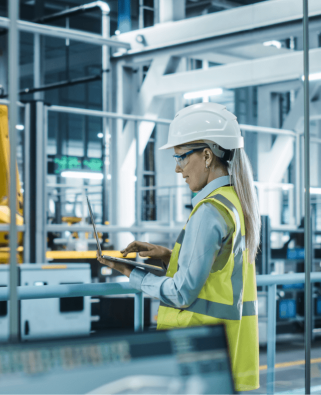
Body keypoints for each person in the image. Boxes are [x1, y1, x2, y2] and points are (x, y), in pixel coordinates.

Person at [97, 102, 261, 391]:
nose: (177, 168)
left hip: (198, 348)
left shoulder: (209, 211)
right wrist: (167, 256)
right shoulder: (235, 202)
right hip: (229, 346)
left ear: (207, 156)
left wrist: (129, 272)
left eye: (182, 157)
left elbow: (183, 292)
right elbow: (218, 269)